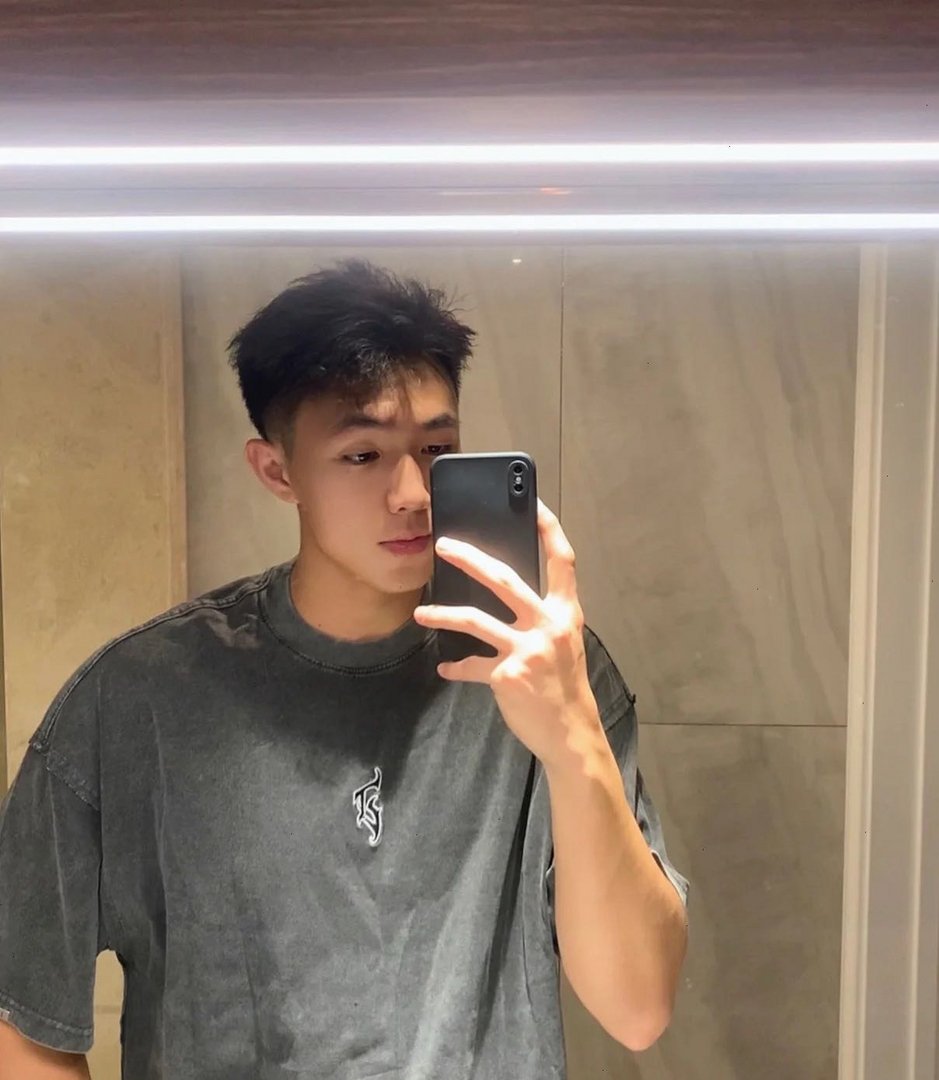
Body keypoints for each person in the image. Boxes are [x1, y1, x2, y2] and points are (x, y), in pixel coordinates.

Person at [0, 259, 689, 1079]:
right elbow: (23, 1020)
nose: (412, 491)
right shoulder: (138, 698)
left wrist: (572, 740)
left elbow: (637, 1009)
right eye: (362, 455)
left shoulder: (544, 667)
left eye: (436, 448)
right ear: (277, 470)